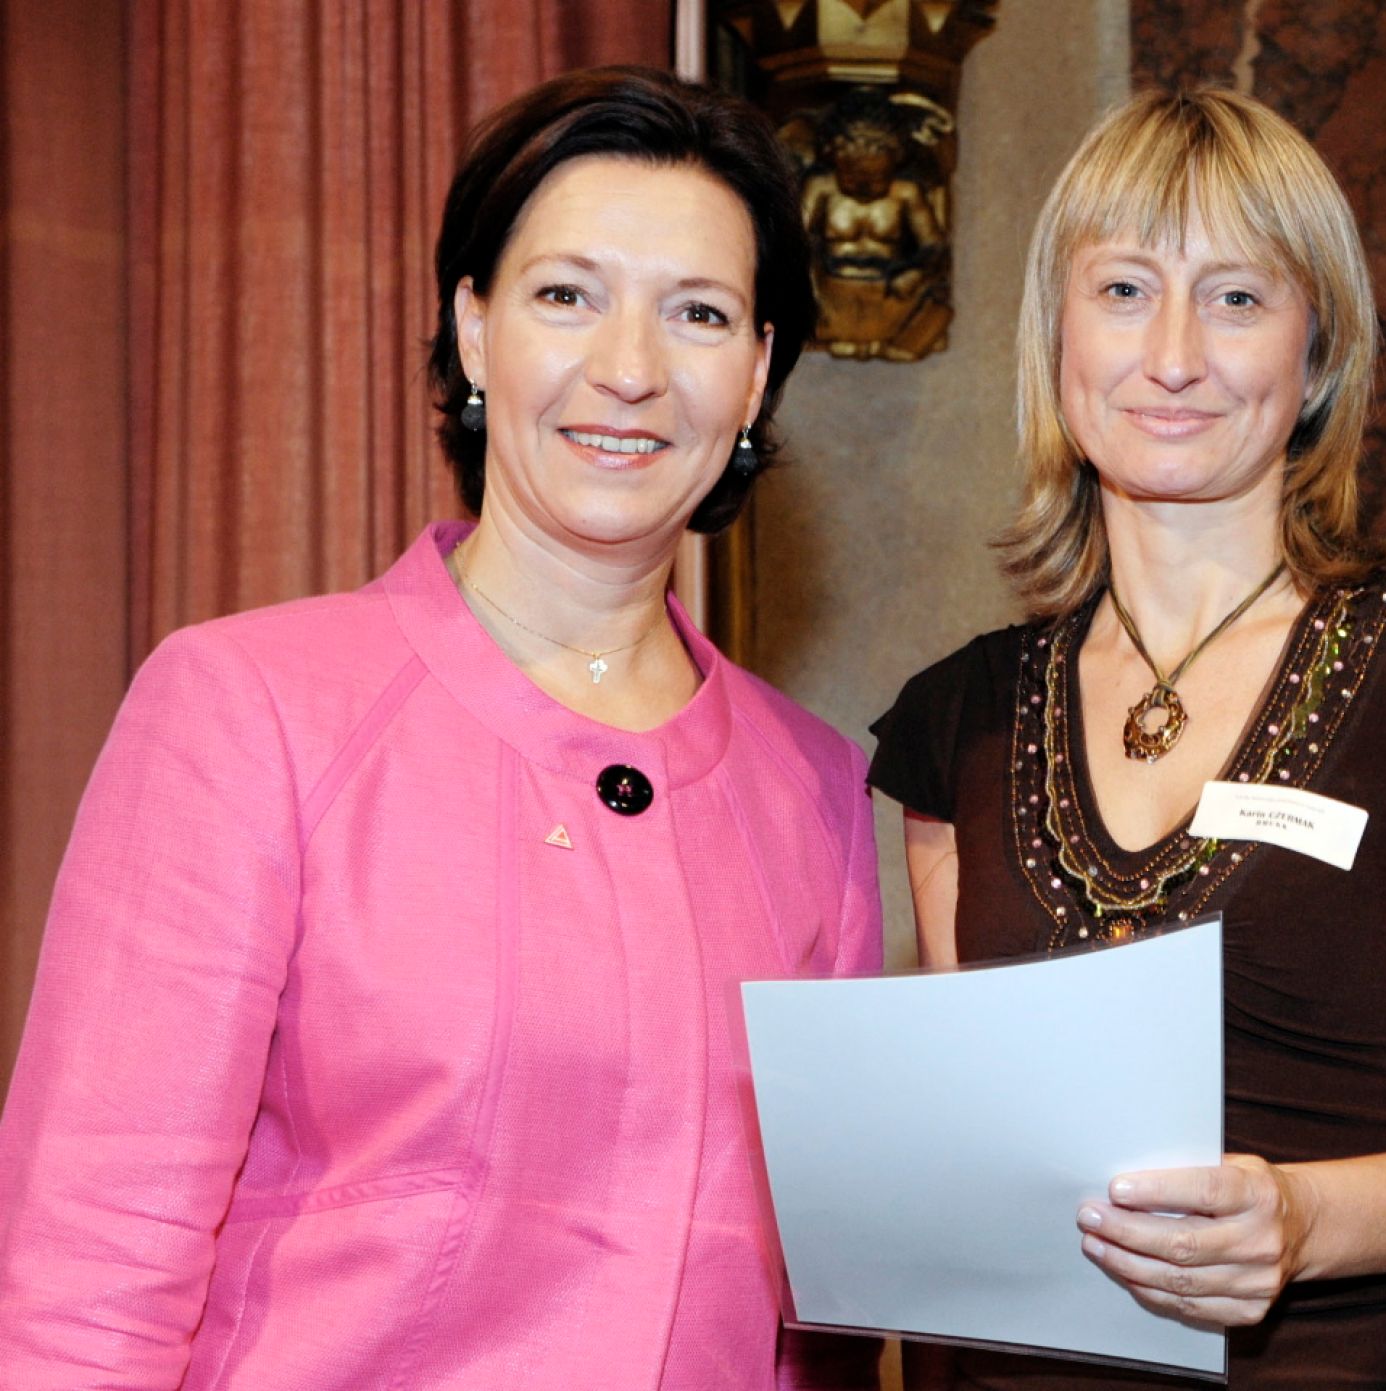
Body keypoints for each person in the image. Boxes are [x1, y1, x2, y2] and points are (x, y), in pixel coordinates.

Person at [0, 67, 880, 1390]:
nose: (629, 369)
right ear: (474, 330)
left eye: (695, 313)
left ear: (756, 373)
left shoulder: (814, 796)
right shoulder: (249, 712)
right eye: (565, 296)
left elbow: (820, 1317)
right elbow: (90, 1272)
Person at [868, 88, 1386, 1389]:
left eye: (1235, 297)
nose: (1172, 353)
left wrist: (1306, 1221)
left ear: (1318, 353)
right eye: (1121, 290)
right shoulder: (961, 723)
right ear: (1056, 332)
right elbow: (975, 1147)